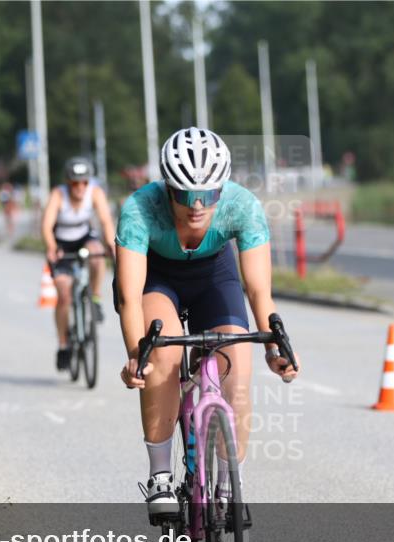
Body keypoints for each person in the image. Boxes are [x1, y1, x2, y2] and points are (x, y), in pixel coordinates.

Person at [114, 127, 300, 521]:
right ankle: (160, 475)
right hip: (158, 279)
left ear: (222, 188)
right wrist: (135, 355)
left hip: (215, 276)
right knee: (161, 357)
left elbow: (259, 292)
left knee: (238, 368)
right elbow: (129, 296)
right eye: (185, 195)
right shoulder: (140, 209)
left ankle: (231, 484)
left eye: (209, 194)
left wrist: (274, 348)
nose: (198, 205)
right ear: (168, 188)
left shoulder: (243, 206)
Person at [41, 157, 116, 370]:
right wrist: (51, 247)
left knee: (97, 254)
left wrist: (111, 245)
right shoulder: (58, 195)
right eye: (75, 183)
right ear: (68, 182)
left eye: (84, 182)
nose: (80, 187)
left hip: (84, 237)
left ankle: (95, 297)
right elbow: (46, 226)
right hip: (62, 244)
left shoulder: (95, 193)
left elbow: (106, 222)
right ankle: (63, 345)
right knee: (64, 295)